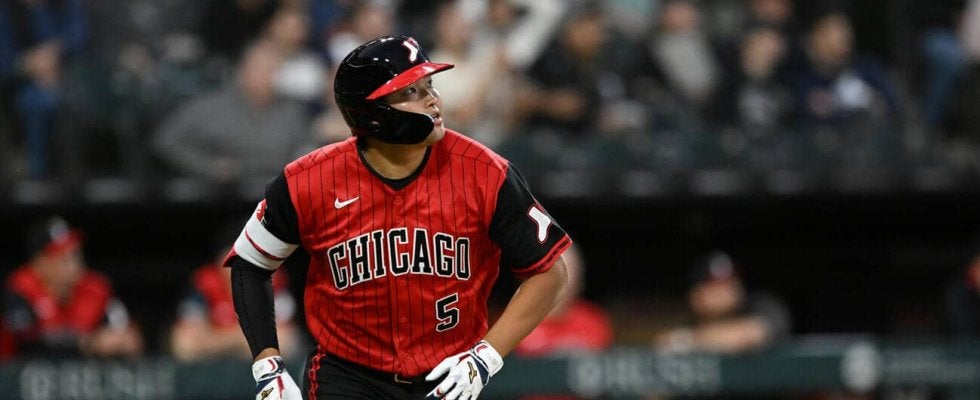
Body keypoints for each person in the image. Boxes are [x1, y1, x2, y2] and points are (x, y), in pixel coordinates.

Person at [226, 35, 571, 400]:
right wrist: (268, 365)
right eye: (411, 92)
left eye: (430, 86)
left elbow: (549, 272)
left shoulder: (485, 172)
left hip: (449, 374)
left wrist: (487, 356)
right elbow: (250, 263)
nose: (433, 100)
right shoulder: (308, 181)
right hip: (348, 376)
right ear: (371, 112)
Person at [151, 41, 311, 183]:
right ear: (242, 71)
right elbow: (166, 140)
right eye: (261, 68)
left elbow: (305, 148)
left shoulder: (292, 111)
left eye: (274, 70)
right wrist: (208, 167)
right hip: (220, 191)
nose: (268, 75)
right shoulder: (209, 106)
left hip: (276, 189)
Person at [0, 216, 143, 359]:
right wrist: (88, 343)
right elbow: (24, 342)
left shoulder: (94, 288)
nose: (74, 263)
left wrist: (120, 342)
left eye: (75, 254)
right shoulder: (20, 287)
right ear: (40, 262)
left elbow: (126, 336)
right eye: (63, 257)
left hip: (81, 371)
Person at [169, 220, 301, 362]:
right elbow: (184, 345)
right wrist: (240, 341)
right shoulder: (204, 283)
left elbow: (284, 342)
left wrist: (214, 341)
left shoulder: (273, 281)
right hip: (213, 366)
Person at [513, 243, 613, 400]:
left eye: (571, 270)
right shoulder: (515, 320)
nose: (564, 279)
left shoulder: (593, 320)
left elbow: (605, 375)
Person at [654, 251, 791, 354]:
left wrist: (684, 341)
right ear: (696, 295)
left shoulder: (762, 304)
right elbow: (663, 342)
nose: (726, 289)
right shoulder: (689, 324)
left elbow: (746, 335)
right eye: (714, 284)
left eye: (730, 280)